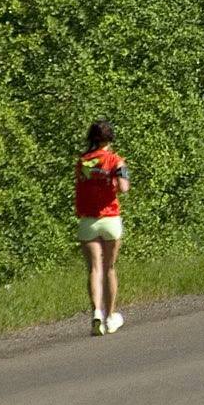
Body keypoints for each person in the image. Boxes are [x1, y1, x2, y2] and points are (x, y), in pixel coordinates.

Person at [75, 120, 129, 338]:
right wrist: (115, 181)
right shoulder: (116, 161)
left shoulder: (83, 162)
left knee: (94, 269)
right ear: (110, 138)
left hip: (88, 220)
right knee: (109, 268)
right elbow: (124, 188)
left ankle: (96, 312)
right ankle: (110, 315)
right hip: (111, 219)